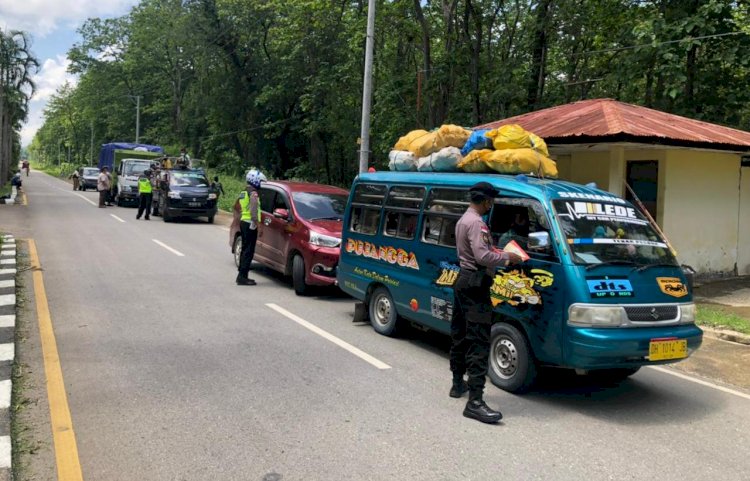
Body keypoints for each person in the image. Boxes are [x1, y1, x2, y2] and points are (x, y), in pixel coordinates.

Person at [451, 182, 522, 424]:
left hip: (463, 280)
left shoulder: (464, 219)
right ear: (486, 201)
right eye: (491, 200)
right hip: (476, 285)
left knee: (460, 334)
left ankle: (457, 383)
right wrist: (507, 257)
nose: (491, 204)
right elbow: (482, 256)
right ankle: (475, 402)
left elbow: (475, 251)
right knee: (479, 340)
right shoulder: (477, 223)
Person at [235, 169, 264, 286]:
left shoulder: (244, 191)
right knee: (249, 251)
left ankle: (241, 275)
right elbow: (253, 210)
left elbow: (238, 206)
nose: (261, 183)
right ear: (255, 180)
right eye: (260, 181)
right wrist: (258, 224)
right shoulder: (253, 193)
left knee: (245, 249)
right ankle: (243, 277)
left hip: (244, 222)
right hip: (250, 223)